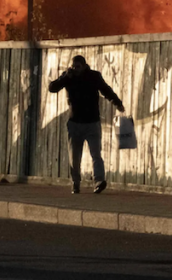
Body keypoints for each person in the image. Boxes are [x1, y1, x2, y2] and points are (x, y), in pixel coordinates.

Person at [48, 55, 125, 194]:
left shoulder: (94, 77)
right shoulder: (68, 78)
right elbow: (52, 88)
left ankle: (99, 181)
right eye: (73, 67)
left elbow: (106, 90)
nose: (75, 69)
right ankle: (75, 183)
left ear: (84, 66)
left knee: (96, 153)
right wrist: (65, 77)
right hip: (74, 123)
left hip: (92, 122)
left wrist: (117, 103)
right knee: (74, 157)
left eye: (78, 67)